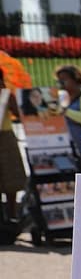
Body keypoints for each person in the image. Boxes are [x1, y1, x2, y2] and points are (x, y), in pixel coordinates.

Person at [54, 64, 81, 173]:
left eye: (64, 79)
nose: (61, 83)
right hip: (69, 146)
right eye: (59, 80)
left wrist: (66, 111)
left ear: (75, 79)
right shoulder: (62, 98)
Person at [0, 69, 25, 231]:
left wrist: (8, 98)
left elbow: (18, 114)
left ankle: (12, 215)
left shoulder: (6, 94)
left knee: (11, 176)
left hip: (6, 137)